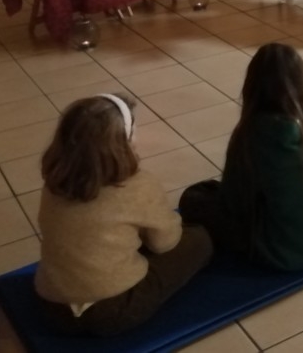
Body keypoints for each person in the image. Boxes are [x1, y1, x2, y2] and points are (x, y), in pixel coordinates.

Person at [34, 93, 212, 337]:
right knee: (199, 240)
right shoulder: (138, 185)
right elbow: (165, 243)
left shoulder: (54, 183)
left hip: (51, 305)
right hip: (114, 311)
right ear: (124, 140)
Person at [179, 43, 303, 271]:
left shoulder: (255, 131)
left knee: (194, 197)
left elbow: (234, 200)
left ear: (252, 86)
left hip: (282, 253)